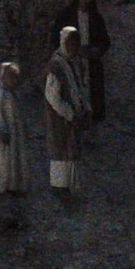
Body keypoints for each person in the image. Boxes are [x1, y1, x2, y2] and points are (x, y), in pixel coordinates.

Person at [43, 25, 91, 200]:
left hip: (74, 115)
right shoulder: (55, 65)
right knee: (60, 150)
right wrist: (69, 113)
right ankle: (59, 187)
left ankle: (71, 186)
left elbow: (81, 87)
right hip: (60, 117)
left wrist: (85, 108)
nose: (74, 47)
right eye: (71, 43)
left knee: (72, 150)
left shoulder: (76, 62)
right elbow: (52, 96)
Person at [53, 0, 113, 122]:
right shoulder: (66, 17)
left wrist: (96, 50)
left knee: (92, 95)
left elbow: (105, 41)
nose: (86, 1)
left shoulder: (96, 18)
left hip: (91, 63)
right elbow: (56, 39)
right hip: (72, 62)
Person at [0, 60, 32, 230]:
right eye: (11, 77)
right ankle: (0, 184)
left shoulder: (13, 94)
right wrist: (1, 130)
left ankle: (14, 184)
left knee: (15, 161)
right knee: (3, 161)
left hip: (15, 136)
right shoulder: (0, 94)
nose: (14, 81)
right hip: (5, 136)